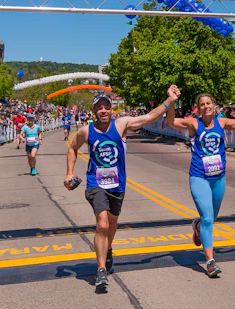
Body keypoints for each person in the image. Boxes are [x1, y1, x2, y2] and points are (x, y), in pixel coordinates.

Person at [64, 86, 180, 288]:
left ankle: (107, 248)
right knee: (102, 223)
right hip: (95, 183)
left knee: (112, 222)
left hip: (117, 184)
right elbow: (72, 148)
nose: (103, 111)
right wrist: (69, 173)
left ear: (111, 110)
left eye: (106, 107)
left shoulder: (121, 125)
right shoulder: (86, 131)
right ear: (93, 112)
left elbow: (150, 117)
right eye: (99, 107)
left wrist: (169, 101)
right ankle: (101, 270)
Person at [166, 89, 235, 278]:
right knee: (209, 219)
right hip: (199, 177)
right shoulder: (194, 124)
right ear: (198, 108)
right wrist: (171, 101)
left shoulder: (222, 122)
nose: (205, 107)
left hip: (219, 177)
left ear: (214, 106)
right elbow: (171, 122)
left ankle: (197, 225)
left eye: (208, 104)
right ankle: (210, 262)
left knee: (210, 218)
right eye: (202, 104)